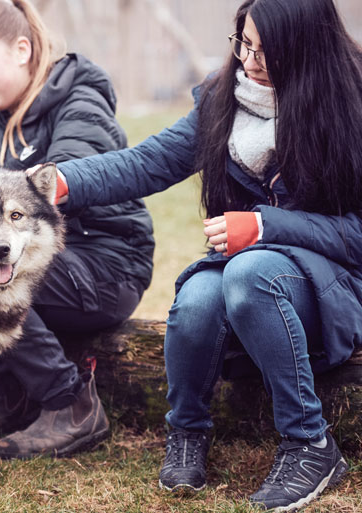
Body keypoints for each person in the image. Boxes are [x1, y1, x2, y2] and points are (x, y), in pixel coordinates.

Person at [53, 0, 357, 509]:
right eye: (245, 45)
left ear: (308, 47)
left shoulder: (350, 105)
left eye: (267, 51)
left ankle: (310, 443)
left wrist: (265, 225)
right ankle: (188, 431)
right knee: (196, 298)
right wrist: (61, 181)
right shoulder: (223, 100)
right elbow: (144, 163)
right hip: (248, 272)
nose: (249, 62)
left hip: (332, 283)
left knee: (251, 273)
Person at [0, 0, 154, 458]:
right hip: (58, 263)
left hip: (107, 266)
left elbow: (69, 178)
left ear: (22, 50)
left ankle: (70, 403)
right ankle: (7, 395)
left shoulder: (81, 99)